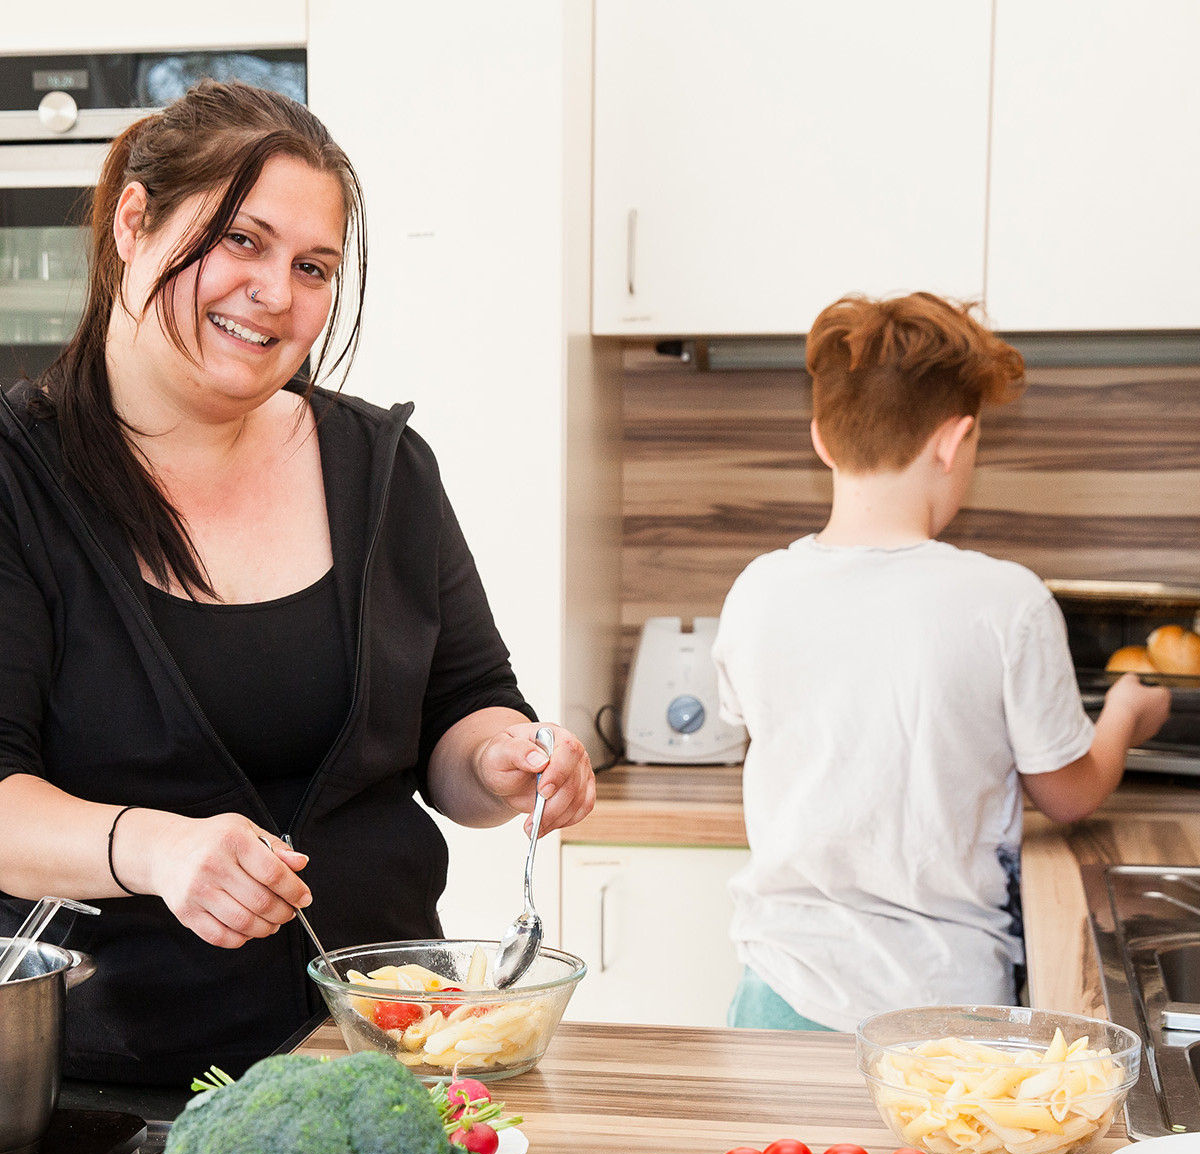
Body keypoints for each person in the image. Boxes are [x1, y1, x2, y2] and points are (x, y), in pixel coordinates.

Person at [0, 82, 594, 1086]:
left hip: (390, 1065)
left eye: (312, 265)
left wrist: (502, 759)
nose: (278, 291)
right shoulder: (18, 479)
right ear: (134, 223)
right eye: (242, 241)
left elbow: (462, 707)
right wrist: (155, 850)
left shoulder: (384, 467)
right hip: (108, 1095)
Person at [713, 292, 1168, 1032]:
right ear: (955, 442)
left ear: (822, 439)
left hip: (778, 989)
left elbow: (774, 727)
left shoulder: (757, 588)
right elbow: (1070, 794)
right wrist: (1123, 717)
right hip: (942, 1006)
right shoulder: (1006, 601)